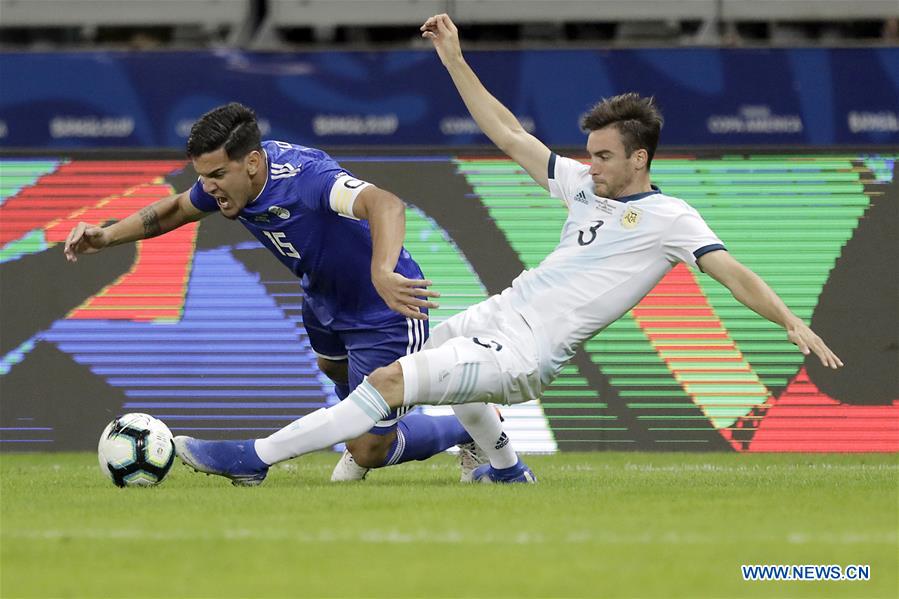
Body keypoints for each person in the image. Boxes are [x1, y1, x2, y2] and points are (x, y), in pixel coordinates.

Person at [173, 15, 843, 484]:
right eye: (590, 152)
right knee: (415, 359)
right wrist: (454, 60)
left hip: (526, 354)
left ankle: (254, 455)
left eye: (605, 155)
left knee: (386, 383)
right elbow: (504, 132)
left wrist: (787, 319)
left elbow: (731, 272)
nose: (590, 163)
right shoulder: (584, 186)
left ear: (640, 158)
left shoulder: (670, 218)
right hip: (499, 313)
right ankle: (503, 466)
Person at [63, 102, 508, 485]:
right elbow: (178, 207)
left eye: (218, 174)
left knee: (370, 449)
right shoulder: (226, 185)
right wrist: (106, 236)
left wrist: (382, 271)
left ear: (252, 162)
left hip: (384, 308)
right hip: (322, 300)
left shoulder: (307, 179)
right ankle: (364, 423)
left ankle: (463, 431)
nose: (209, 187)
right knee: (330, 365)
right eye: (203, 176)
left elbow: (385, 203)